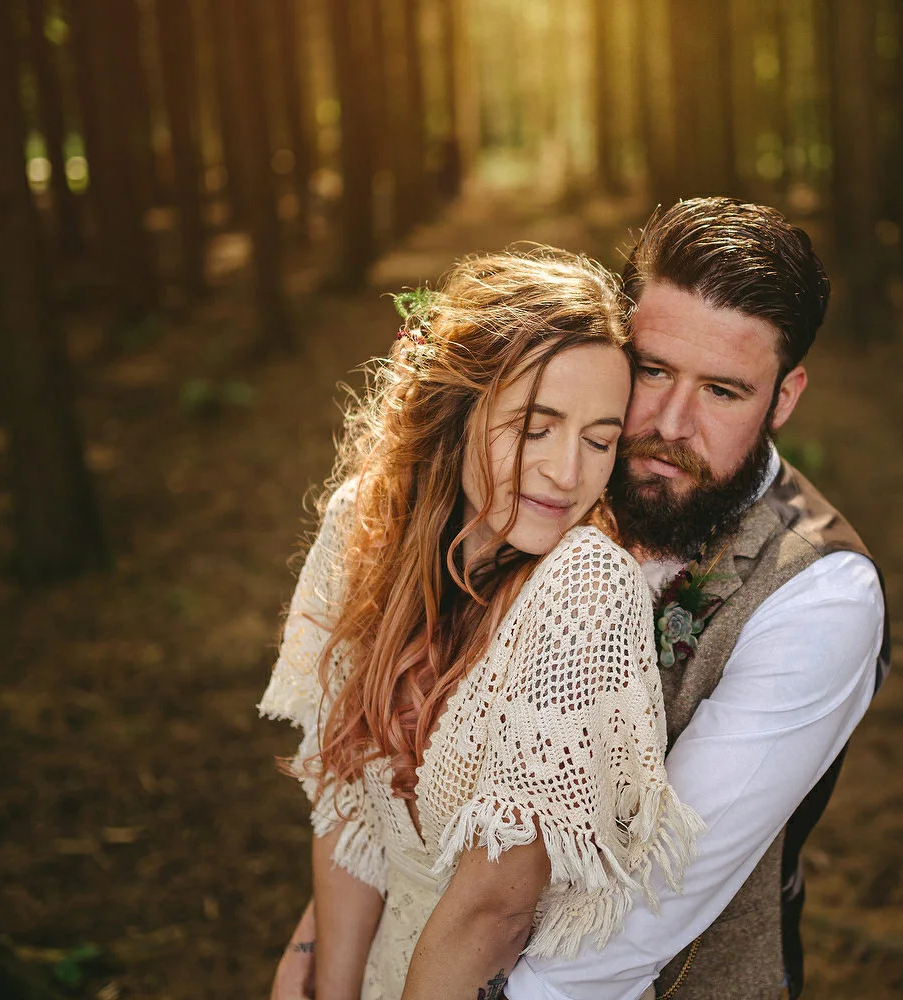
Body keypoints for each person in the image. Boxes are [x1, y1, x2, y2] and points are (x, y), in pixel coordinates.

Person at [273, 198, 889, 1000]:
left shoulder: (819, 598)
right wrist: (320, 966)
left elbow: (635, 923)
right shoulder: (542, 503)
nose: (668, 423)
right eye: (655, 371)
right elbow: (384, 784)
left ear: (785, 397)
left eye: (724, 392)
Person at [259, 249, 705, 1000]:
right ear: (461, 407)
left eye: (599, 440)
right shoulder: (360, 530)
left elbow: (496, 912)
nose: (567, 471)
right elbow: (346, 804)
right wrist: (329, 982)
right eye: (535, 427)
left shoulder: (585, 588)